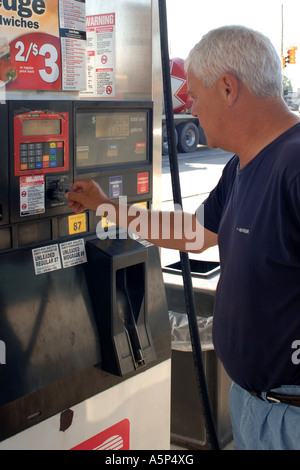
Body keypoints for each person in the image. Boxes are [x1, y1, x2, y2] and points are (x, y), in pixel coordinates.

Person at [66, 25, 300, 450]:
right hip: (254, 405)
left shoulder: (295, 165)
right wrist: (107, 206)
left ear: (228, 88)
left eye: (194, 93)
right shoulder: (243, 165)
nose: (188, 105)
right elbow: (193, 233)